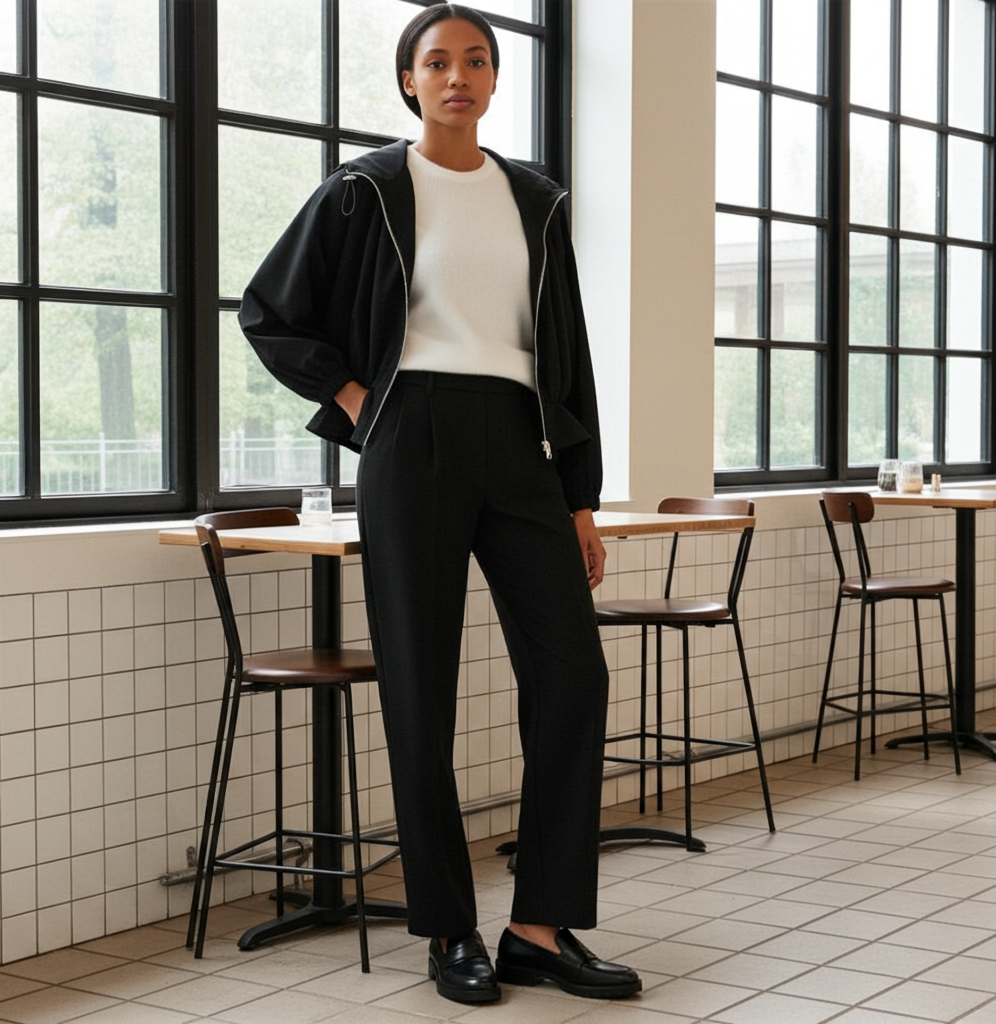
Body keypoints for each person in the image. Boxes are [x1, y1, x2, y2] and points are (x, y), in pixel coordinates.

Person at [239, 2, 641, 1005]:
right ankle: (450, 927)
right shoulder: (362, 189)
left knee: (573, 675)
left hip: (521, 446)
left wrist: (581, 500)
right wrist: (356, 400)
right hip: (408, 436)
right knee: (422, 689)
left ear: (496, 81)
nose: (457, 75)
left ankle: (539, 927)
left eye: (475, 60)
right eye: (436, 61)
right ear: (409, 80)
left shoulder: (536, 200)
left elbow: (569, 362)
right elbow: (269, 311)